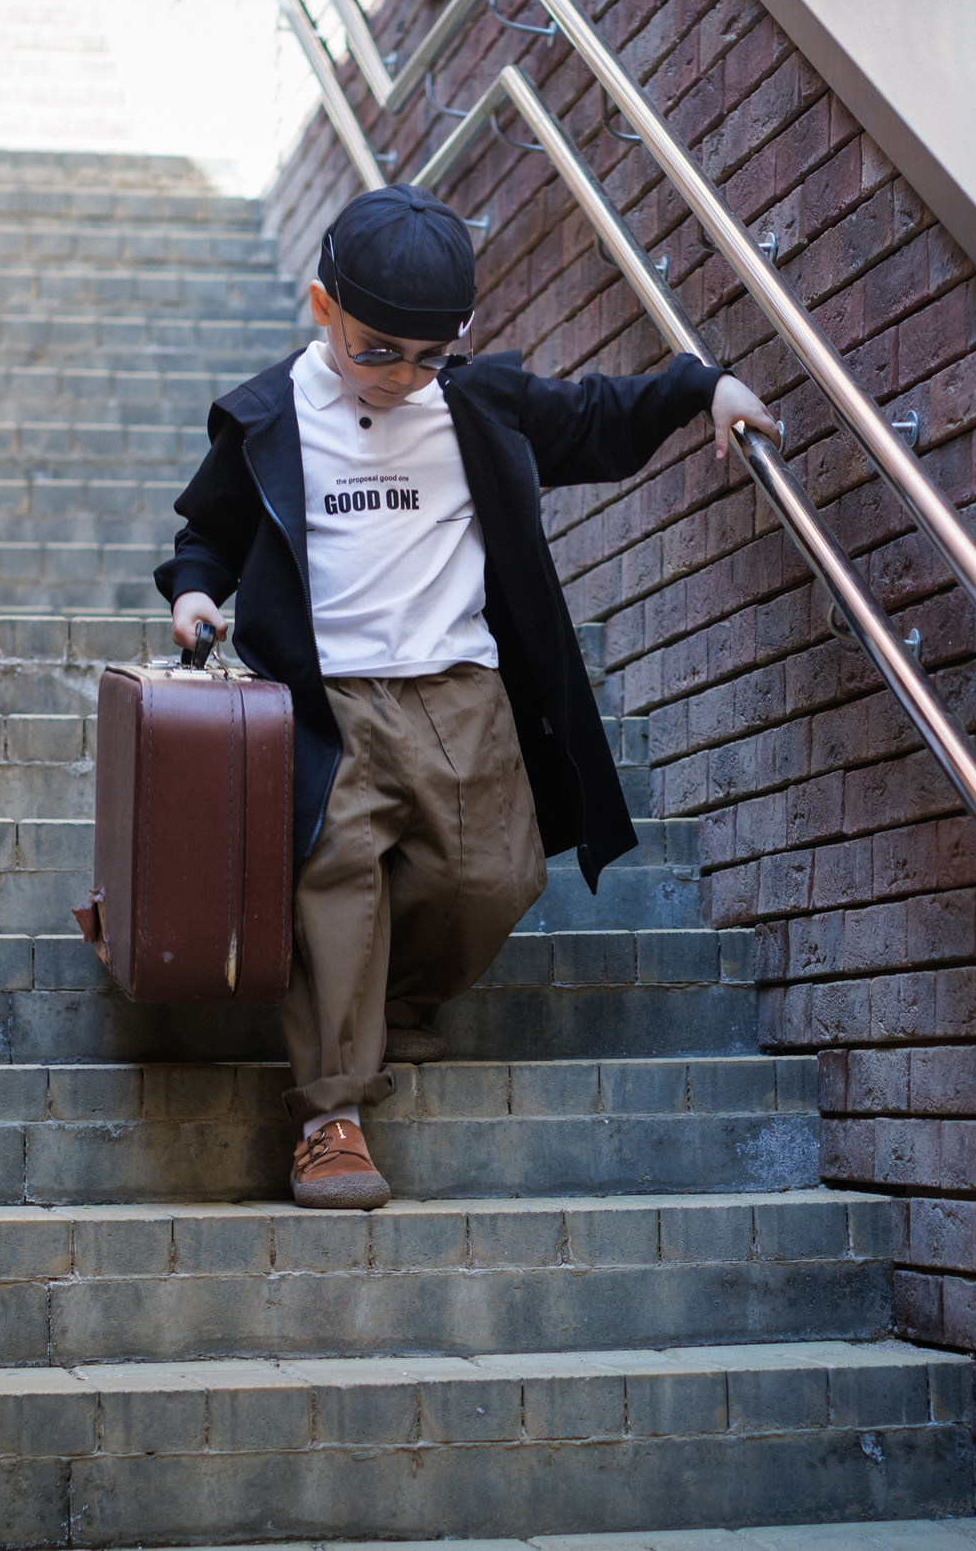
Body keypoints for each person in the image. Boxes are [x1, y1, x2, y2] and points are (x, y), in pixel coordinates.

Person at [155, 183, 776, 1209]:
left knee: (491, 878)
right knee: (335, 880)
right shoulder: (269, 417)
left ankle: (394, 996)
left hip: (459, 693)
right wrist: (191, 593)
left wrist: (700, 390)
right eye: (376, 351)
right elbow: (210, 531)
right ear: (322, 309)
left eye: (426, 356)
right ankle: (331, 1117)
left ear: (462, 338)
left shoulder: (476, 406)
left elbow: (596, 414)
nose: (402, 376)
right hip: (325, 699)